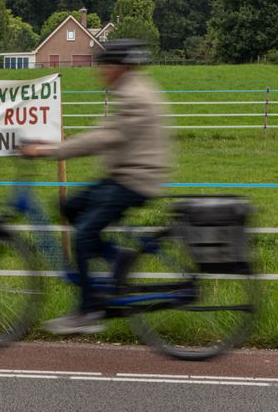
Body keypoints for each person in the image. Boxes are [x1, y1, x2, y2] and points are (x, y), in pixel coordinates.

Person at [20, 38, 171, 335]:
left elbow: (105, 138)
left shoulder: (135, 96)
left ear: (120, 67)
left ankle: (88, 310)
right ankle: (118, 257)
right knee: (69, 207)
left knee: (84, 234)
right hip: (123, 175)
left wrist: (50, 151)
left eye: (105, 66)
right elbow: (106, 133)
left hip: (136, 180)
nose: (100, 72)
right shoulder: (128, 90)